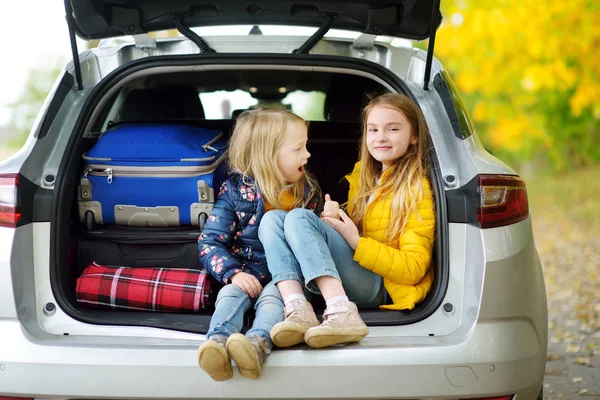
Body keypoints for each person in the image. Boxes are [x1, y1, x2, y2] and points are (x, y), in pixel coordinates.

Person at [259, 93, 436, 349]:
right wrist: (335, 219)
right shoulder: (363, 176)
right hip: (361, 269)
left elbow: (414, 269)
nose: (381, 137)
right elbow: (367, 229)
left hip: (386, 286)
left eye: (393, 129)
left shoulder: (416, 189)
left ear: (414, 136)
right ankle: (298, 308)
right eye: (373, 129)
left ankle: (342, 312)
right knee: (273, 219)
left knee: (299, 217)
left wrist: (354, 239)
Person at [197, 108, 322, 381]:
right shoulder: (235, 192)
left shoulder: (308, 190)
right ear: (269, 156)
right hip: (246, 270)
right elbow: (210, 242)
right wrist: (233, 274)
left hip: (287, 279)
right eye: (299, 148)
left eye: (306, 146)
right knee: (230, 295)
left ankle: (256, 345)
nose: (308, 155)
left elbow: (314, 241)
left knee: (273, 301)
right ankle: (217, 342)